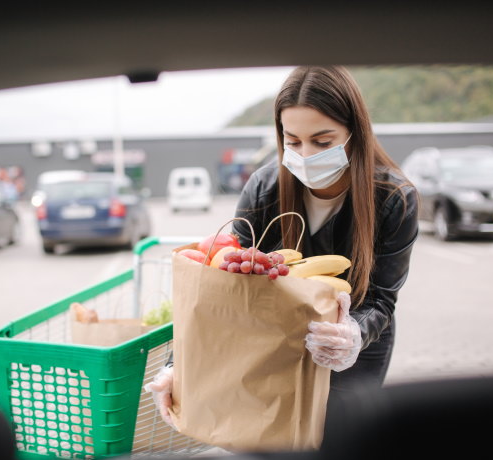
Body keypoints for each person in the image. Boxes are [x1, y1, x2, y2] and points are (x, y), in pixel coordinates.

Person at [145, 65, 419, 428]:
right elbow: (222, 287)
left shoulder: (395, 198)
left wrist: (352, 335)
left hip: (355, 349)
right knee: (273, 445)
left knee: (342, 448)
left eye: (323, 142)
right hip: (271, 337)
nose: (305, 154)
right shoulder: (264, 188)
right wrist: (176, 366)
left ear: (356, 133)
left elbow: (381, 298)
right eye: (293, 141)